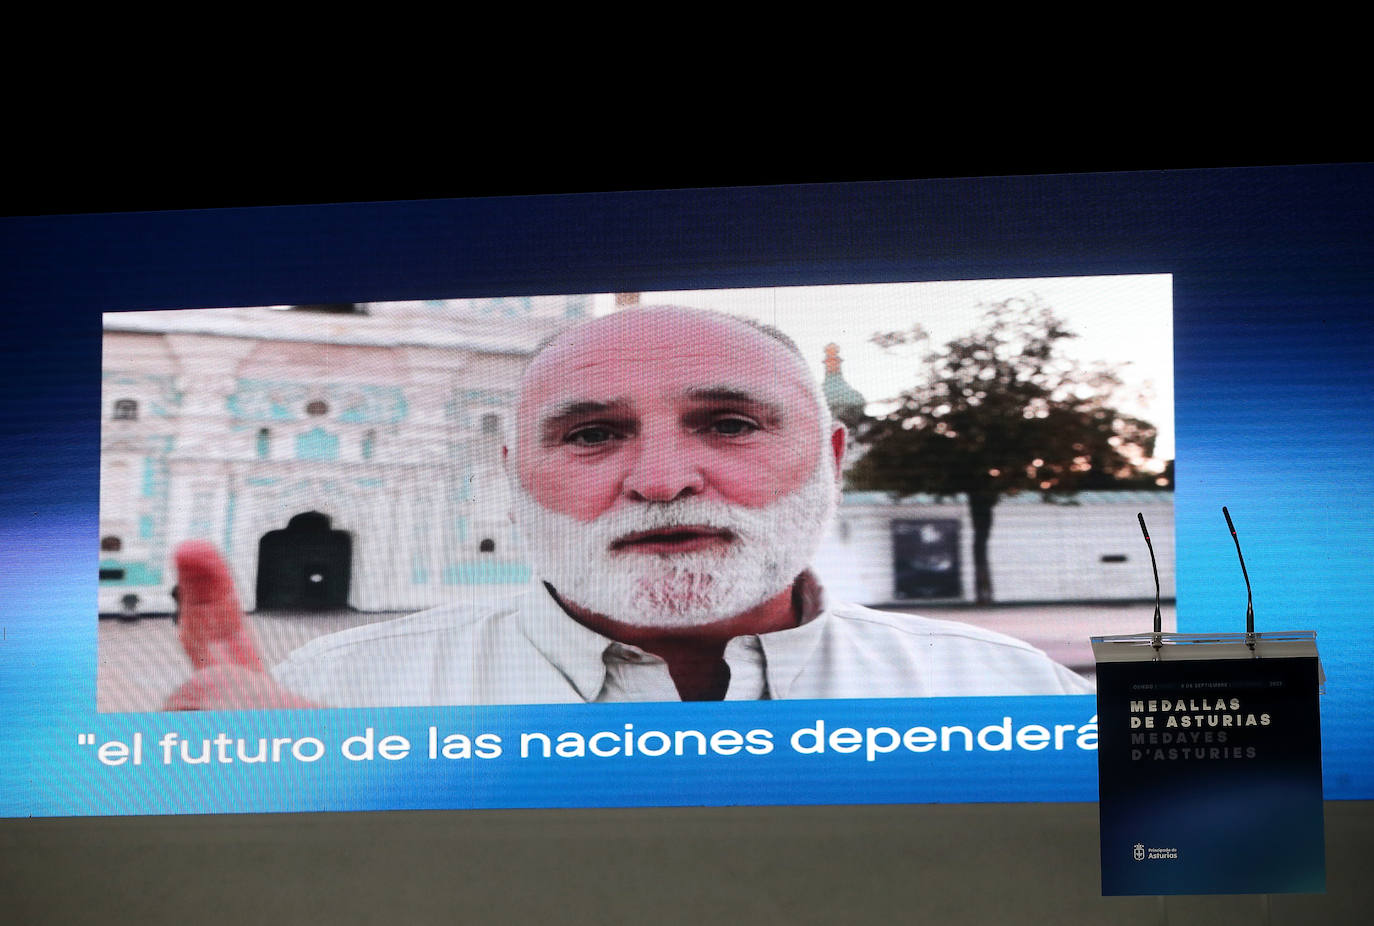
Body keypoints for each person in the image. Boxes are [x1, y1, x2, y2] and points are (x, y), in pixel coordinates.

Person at [164, 307, 1092, 710]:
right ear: (511, 474)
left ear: (834, 459)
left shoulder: (1007, 695)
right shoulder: (333, 700)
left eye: (728, 424)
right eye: (589, 434)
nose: (659, 480)